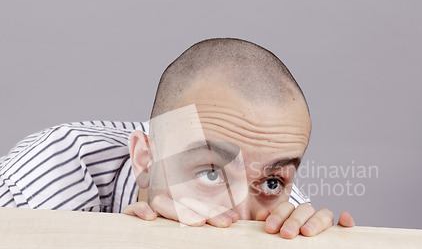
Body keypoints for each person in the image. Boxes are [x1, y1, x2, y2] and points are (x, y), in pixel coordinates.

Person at [0, 38, 354, 238]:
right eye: (211, 173)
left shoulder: (275, 210)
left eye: (275, 181)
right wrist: (128, 248)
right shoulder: (45, 178)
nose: (240, 217)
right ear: (144, 160)